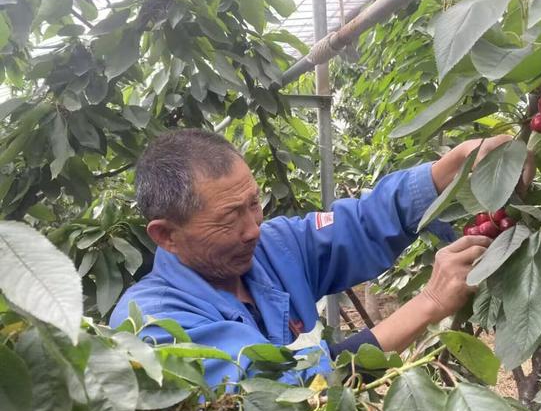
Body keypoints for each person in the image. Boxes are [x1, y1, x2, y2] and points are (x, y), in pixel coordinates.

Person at [109, 128, 518, 386]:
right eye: (228, 217)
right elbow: (286, 398)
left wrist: (449, 169)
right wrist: (428, 304)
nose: (252, 228)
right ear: (167, 235)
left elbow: (359, 224)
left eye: (253, 203)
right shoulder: (150, 327)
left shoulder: (272, 247)